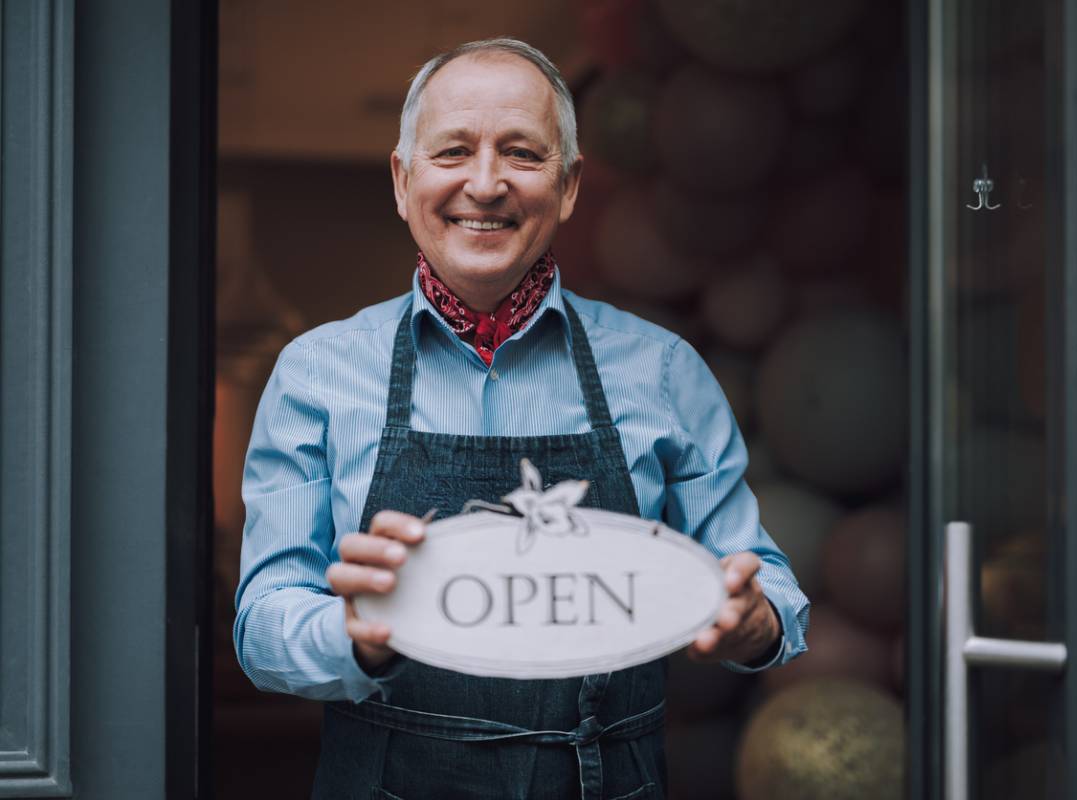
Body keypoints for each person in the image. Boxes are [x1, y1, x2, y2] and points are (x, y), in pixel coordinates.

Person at [235, 37, 809, 800]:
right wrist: (355, 638)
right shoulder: (315, 372)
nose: (485, 183)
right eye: (452, 152)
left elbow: (769, 586)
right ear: (403, 183)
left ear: (569, 186)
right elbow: (262, 622)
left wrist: (753, 621)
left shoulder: (664, 370)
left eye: (522, 154)